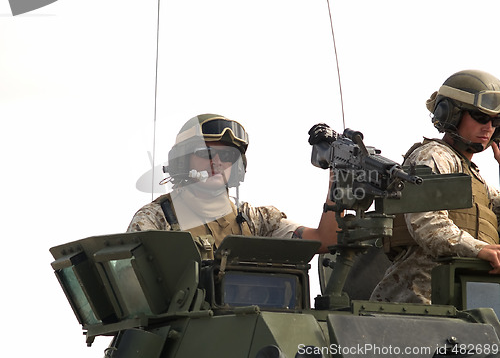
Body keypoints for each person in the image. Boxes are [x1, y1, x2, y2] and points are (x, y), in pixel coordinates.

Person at [127, 113, 338, 259]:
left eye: (227, 156)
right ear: (182, 161)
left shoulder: (256, 221)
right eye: (206, 153)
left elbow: (326, 239)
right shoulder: (157, 219)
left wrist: (337, 177)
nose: (217, 162)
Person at [371, 69, 500, 304]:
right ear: (452, 114)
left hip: (463, 301)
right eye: (480, 117)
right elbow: (429, 224)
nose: (489, 127)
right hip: (415, 305)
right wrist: (480, 250)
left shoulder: (477, 182)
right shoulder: (433, 156)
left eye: (496, 121)